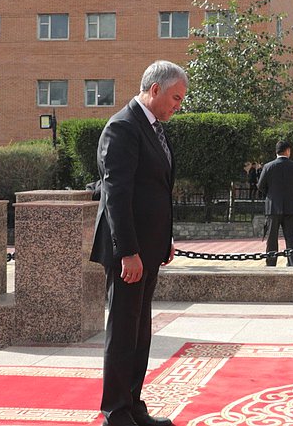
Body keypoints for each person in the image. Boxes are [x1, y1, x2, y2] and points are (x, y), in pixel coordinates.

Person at [89, 60, 186, 426]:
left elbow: (157, 189)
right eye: (176, 98)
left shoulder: (154, 128)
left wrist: (165, 238)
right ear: (155, 90)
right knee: (123, 330)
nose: (178, 105)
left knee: (140, 330)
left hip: (149, 247)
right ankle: (116, 411)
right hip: (128, 251)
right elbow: (117, 193)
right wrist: (127, 250)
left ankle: (133, 404)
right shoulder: (123, 127)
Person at [257, 140, 293, 267]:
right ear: (287, 150)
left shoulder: (268, 166)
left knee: (272, 239)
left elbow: (260, 185)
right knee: (290, 238)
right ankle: (292, 263)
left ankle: (271, 264)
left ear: (276, 151)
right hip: (291, 207)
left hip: (273, 207)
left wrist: (271, 194)